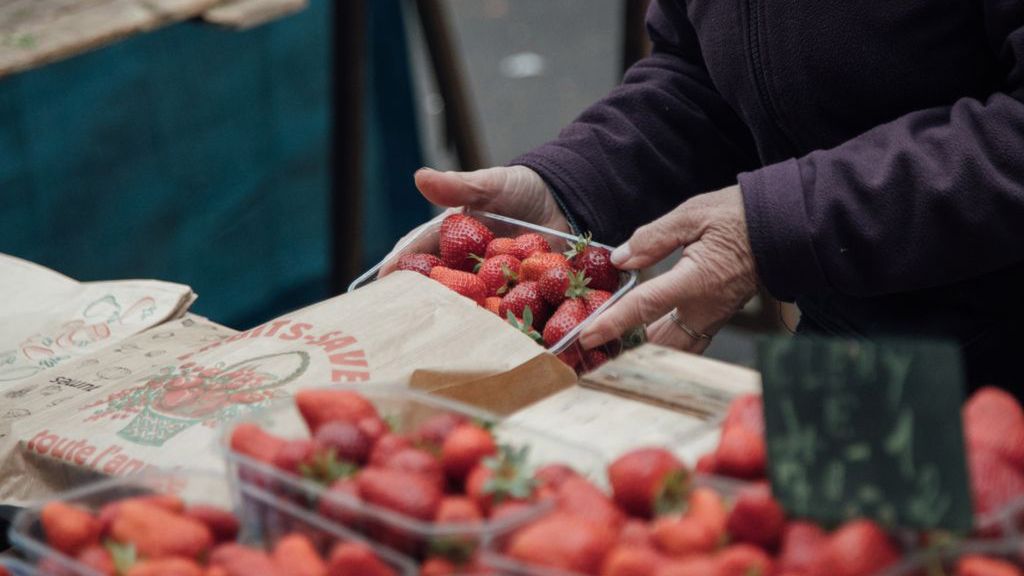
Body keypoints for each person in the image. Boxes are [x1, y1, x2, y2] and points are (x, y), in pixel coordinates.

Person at [410, 0, 1024, 395]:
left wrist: (781, 223)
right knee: (821, 542)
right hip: (850, 353)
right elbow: (701, 73)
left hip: (1000, 362)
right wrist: (568, 185)